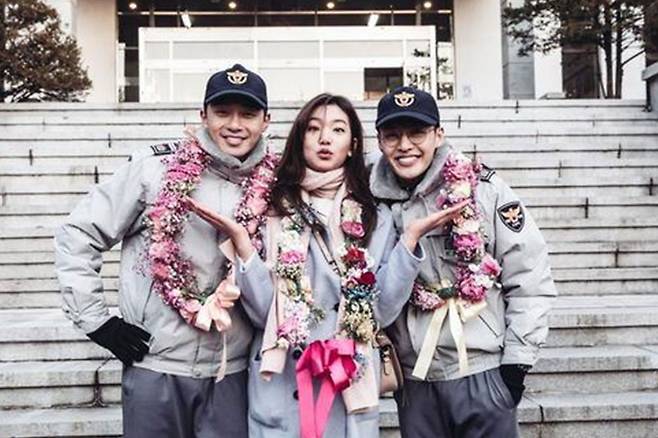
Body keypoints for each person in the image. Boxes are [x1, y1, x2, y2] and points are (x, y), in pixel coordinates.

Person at [187, 93, 466, 438]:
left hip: (347, 376)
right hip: (283, 380)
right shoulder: (269, 207)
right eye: (314, 128)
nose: (324, 139)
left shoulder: (374, 214)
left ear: (353, 145)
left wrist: (408, 243)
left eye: (337, 129)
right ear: (299, 138)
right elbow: (263, 315)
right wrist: (244, 247)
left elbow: (380, 312)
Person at [54, 64, 277, 438]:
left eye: (248, 114)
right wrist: (96, 321)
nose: (235, 125)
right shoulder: (154, 170)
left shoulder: (278, 184)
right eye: (222, 112)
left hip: (232, 373)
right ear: (203, 115)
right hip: (155, 366)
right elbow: (79, 233)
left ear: (266, 120)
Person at [369, 86, 558, 438]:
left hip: (481, 371)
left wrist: (516, 364)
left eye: (417, 132)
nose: (405, 145)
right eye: (392, 135)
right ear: (379, 141)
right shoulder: (369, 202)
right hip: (415, 379)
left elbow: (529, 275)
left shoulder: (481, 189)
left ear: (438, 134)